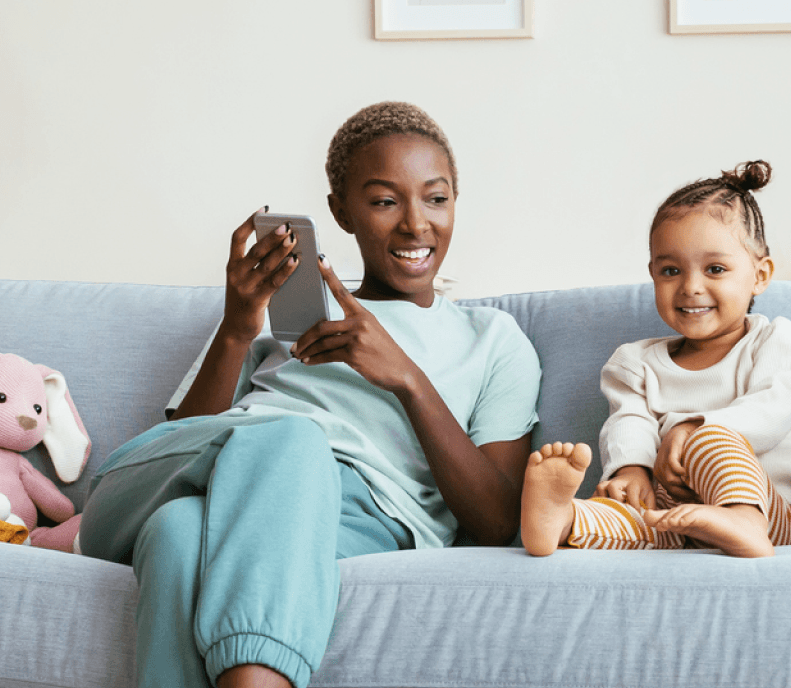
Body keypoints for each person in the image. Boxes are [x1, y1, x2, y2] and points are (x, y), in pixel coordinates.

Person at [79, 101, 541, 688]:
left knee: (176, 533)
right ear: (339, 212)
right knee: (287, 437)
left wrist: (406, 378)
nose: (416, 224)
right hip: (167, 483)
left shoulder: (493, 340)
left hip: (354, 517)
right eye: (383, 201)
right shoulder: (280, 314)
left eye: (436, 198)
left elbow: (497, 520)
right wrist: (238, 326)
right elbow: (181, 443)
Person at [520, 160, 791, 559]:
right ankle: (562, 521)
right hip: (673, 518)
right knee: (632, 515)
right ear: (653, 274)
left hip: (767, 519)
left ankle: (738, 519)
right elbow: (628, 421)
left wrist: (690, 427)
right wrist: (631, 470)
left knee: (712, 438)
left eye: (715, 269)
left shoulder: (772, 341)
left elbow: (773, 411)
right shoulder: (635, 363)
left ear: (760, 275)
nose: (691, 287)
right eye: (671, 270)